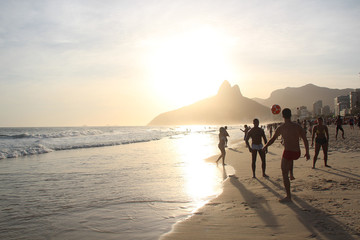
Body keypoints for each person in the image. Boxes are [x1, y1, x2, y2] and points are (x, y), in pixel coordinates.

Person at [263, 108, 310, 203]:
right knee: (289, 163)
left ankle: (288, 196)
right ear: (291, 115)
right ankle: (291, 174)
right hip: (297, 152)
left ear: (282, 116)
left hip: (288, 152)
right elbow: (305, 139)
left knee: (284, 173)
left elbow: (272, 139)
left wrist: (266, 146)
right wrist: (307, 152)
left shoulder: (281, 128)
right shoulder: (297, 126)